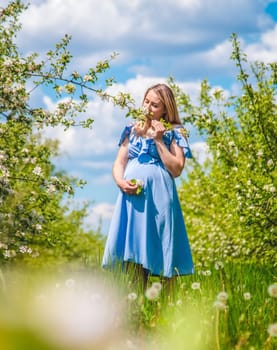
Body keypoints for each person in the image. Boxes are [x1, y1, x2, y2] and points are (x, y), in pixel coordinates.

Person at [102, 83, 194, 293]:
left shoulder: (175, 132)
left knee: (162, 247)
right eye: (146, 101)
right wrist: (120, 181)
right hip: (132, 197)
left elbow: (177, 168)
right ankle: (136, 310)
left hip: (159, 197)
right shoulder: (132, 128)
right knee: (134, 254)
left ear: (166, 109)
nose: (148, 107)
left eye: (155, 105)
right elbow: (119, 163)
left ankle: (167, 310)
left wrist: (159, 140)